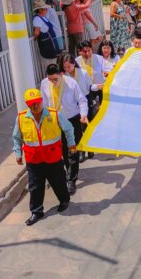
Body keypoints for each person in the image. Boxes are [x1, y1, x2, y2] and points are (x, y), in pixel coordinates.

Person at [13, 88, 74, 226]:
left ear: (42, 101)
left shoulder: (54, 114)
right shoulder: (21, 118)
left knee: (58, 181)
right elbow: (17, 137)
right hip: (33, 159)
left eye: (38, 102)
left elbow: (68, 128)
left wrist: (71, 143)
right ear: (27, 104)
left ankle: (64, 200)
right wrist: (18, 153)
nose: (36, 106)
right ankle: (36, 212)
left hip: (53, 157)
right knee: (35, 186)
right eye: (32, 104)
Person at [39, 64, 88, 195]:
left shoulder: (71, 83)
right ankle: (63, 175)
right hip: (53, 121)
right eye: (50, 79)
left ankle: (71, 180)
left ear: (61, 74)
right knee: (58, 150)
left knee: (71, 150)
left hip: (71, 120)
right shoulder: (44, 83)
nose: (52, 82)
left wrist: (83, 115)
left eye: (55, 79)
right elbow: (43, 103)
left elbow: (82, 100)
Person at [32, 0, 62, 67]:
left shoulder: (43, 17)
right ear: (40, 10)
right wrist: (34, 38)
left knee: (53, 65)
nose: (46, 10)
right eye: (45, 8)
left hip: (51, 46)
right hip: (47, 47)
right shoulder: (37, 19)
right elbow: (36, 32)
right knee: (50, 66)